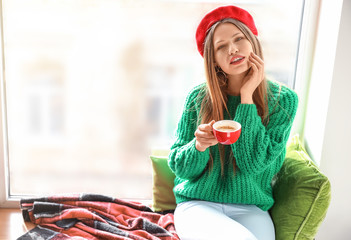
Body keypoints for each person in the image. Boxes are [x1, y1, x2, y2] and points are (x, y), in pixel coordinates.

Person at [168, 5, 298, 240]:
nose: (233, 49)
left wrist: (247, 97)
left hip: (251, 208)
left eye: (239, 39)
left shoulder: (283, 100)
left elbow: (253, 163)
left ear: (252, 42)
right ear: (214, 60)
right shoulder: (198, 98)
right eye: (221, 47)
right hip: (199, 203)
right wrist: (198, 146)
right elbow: (179, 167)